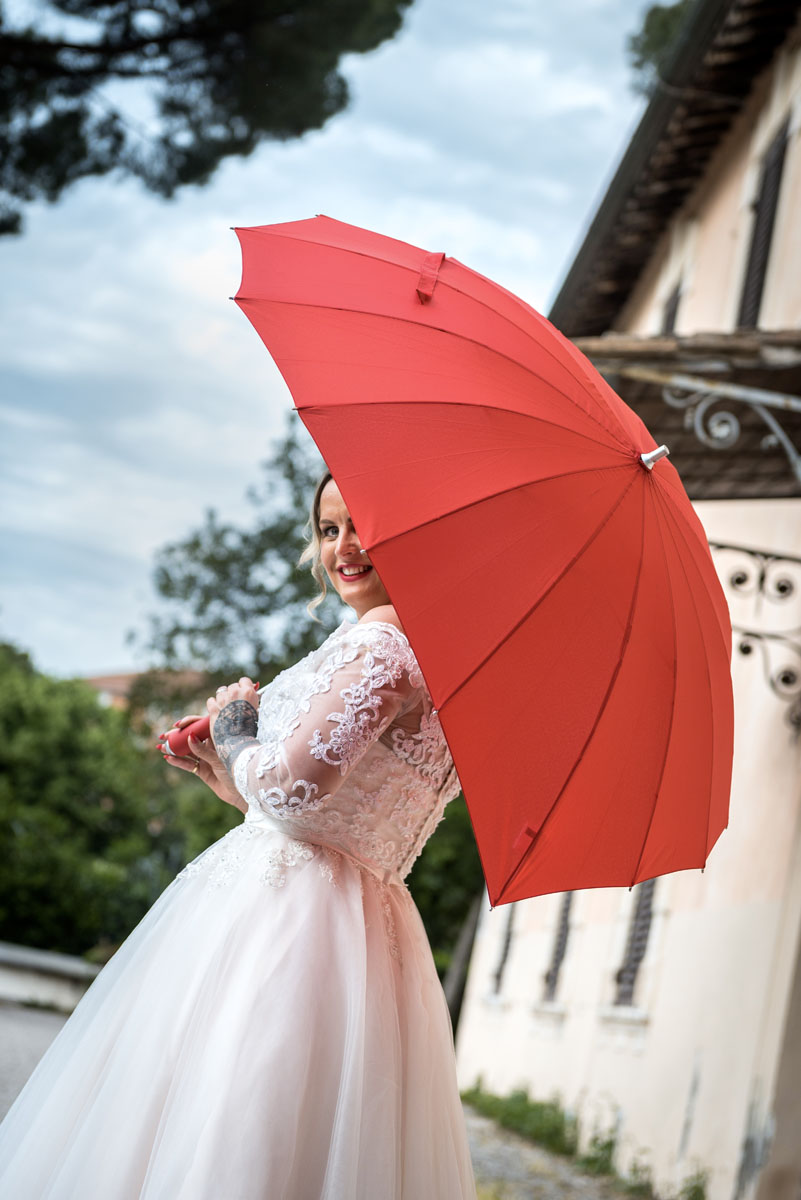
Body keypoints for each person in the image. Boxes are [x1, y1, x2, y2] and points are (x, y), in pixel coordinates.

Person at [0, 472, 477, 1199]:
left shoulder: (382, 645)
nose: (342, 548)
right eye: (327, 530)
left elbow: (291, 790)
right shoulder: (451, 673)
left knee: (226, 1115)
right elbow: (309, 813)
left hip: (284, 922)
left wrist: (235, 726)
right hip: (363, 933)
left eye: (363, 526)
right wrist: (223, 774)